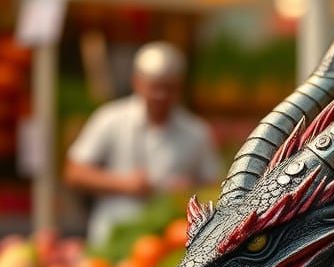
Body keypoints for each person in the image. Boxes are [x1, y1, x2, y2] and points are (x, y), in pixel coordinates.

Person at [64, 41, 222, 247]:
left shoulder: (196, 131)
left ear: (180, 87)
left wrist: (188, 192)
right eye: (155, 87)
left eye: (168, 88)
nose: (161, 95)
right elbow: (74, 173)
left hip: (171, 243)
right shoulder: (110, 119)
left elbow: (215, 186)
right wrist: (124, 184)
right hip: (110, 238)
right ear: (137, 82)